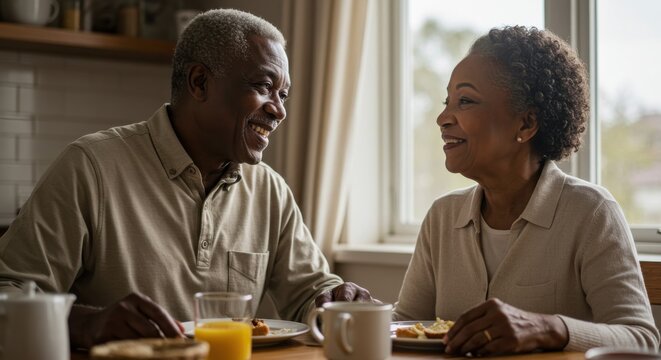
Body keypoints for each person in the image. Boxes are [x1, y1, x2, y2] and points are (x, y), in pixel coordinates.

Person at [0, 9, 374, 349]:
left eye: (284, 94)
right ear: (199, 83)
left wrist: (337, 297)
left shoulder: (270, 191)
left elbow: (311, 293)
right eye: (263, 87)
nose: (278, 110)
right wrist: (87, 324)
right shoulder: (90, 167)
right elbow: (8, 295)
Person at [393, 25, 659, 356]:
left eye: (465, 101)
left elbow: (642, 339)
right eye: (447, 101)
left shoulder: (591, 213)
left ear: (525, 124)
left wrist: (550, 328)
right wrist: (350, 309)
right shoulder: (442, 216)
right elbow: (403, 325)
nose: (443, 118)